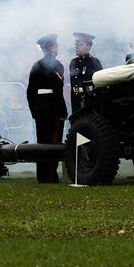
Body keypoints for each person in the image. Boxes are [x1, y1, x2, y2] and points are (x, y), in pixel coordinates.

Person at [26, 35, 66, 183]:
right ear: (51, 48)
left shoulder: (36, 65)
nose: (57, 48)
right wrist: (62, 112)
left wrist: (34, 110)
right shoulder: (57, 65)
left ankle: (42, 175)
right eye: (56, 46)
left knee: (41, 142)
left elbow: (30, 92)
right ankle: (50, 176)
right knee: (52, 143)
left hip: (40, 108)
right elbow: (57, 91)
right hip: (52, 108)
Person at [68, 32, 102, 121]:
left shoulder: (95, 62)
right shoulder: (73, 62)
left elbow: (99, 84)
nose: (77, 47)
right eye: (76, 45)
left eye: (80, 45)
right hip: (76, 99)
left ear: (88, 46)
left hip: (89, 101)